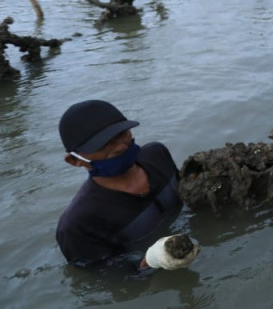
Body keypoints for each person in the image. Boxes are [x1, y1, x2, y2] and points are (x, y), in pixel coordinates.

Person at [56, 100, 183, 268]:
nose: (120, 147)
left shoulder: (157, 155)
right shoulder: (77, 225)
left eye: (122, 134)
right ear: (74, 160)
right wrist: (151, 261)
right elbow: (103, 275)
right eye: (103, 143)